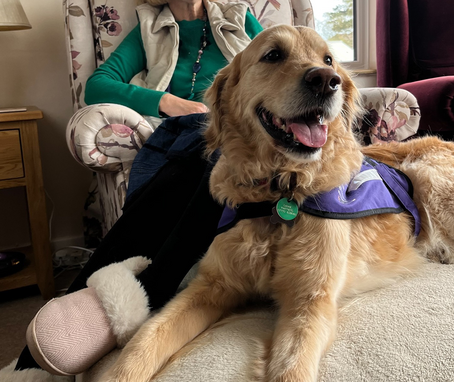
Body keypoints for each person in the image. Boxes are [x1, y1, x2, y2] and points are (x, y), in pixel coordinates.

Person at [6, 0, 263, 379]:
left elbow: (294, 61)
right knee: (204, 150)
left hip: (246, 133)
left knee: (224, 150)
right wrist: (167, 102)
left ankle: (133, 291)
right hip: (184, 136)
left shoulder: (240, 18)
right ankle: (117, 298)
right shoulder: (149, 26)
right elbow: (98, 85)